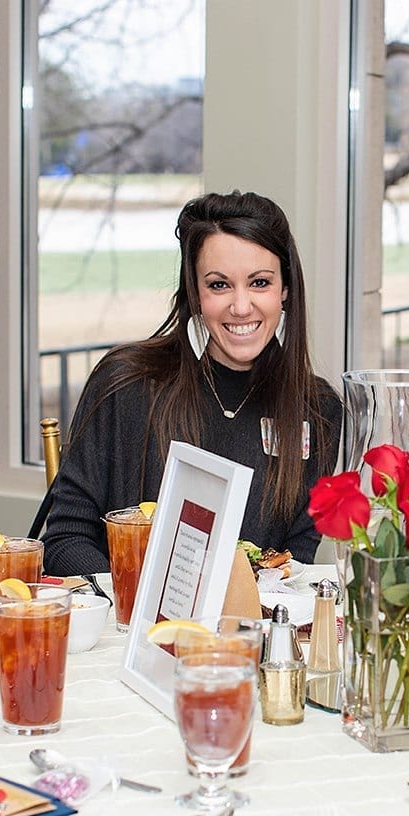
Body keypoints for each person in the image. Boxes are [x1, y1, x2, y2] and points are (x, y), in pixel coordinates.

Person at [41, 190, 342, 573]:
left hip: (249, 630)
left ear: (284, 290)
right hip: (128, 626)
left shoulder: (320, 410)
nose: (241, 306)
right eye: (219, 285)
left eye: (260, 283)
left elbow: (294, 561)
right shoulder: (127, 384)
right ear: (195, 294)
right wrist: (137, 606)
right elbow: (66, 540)